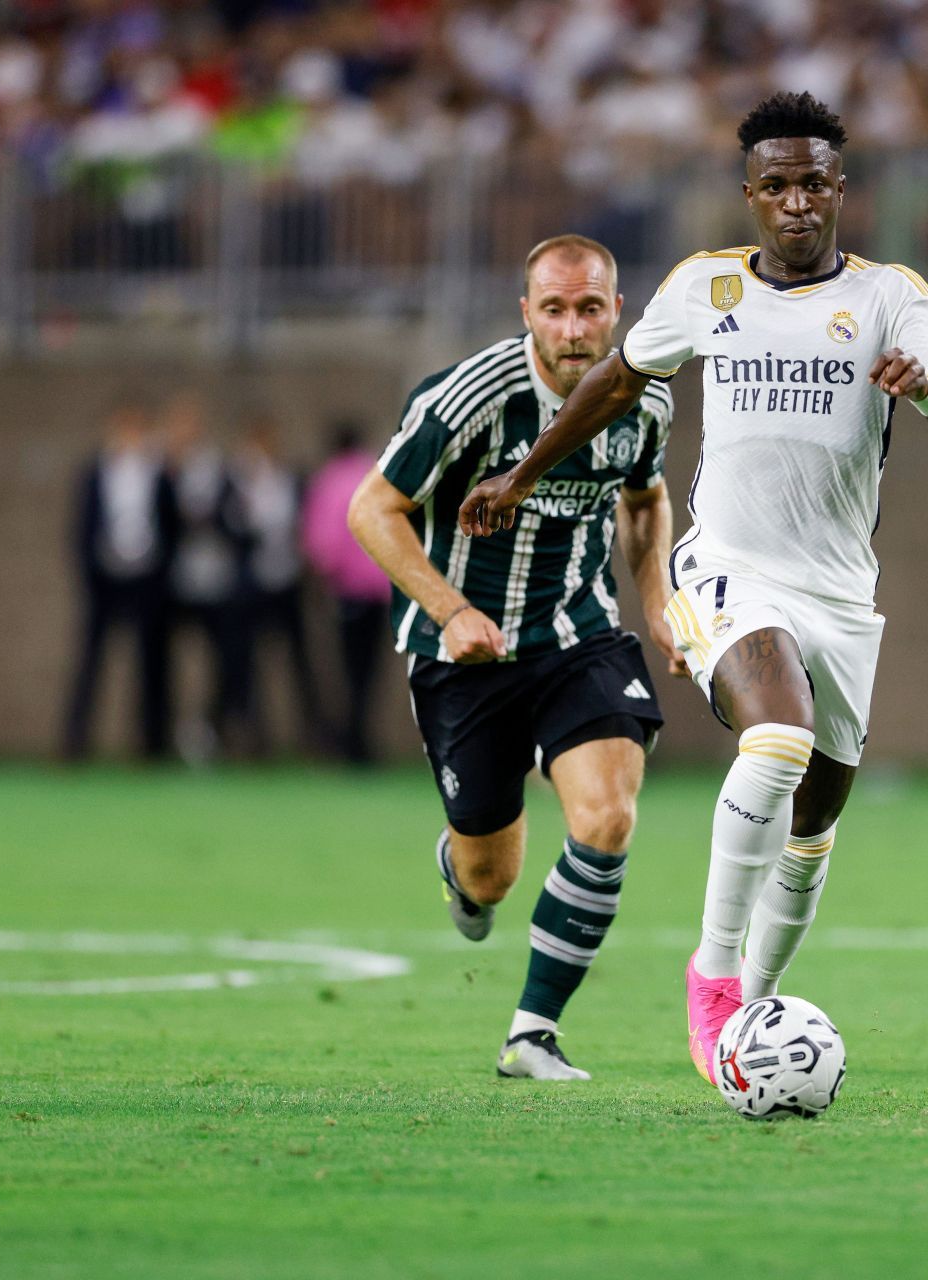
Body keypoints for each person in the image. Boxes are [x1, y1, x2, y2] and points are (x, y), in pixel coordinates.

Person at [458, 92, 928, 1082]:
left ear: (842, 191)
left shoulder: (891, 296)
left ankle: (751, 1009)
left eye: (814, 184)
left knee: (813, 829)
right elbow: (616, 379)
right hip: (728, 569)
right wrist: (523, 472)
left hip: (840, 595)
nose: (796, 202)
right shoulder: (707, 288)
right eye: (777, 185)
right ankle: (711, 976)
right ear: (750, 193)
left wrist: (922, 391)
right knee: (777, 736)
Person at [348, 234, 675, 1080]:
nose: (573, 329)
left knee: (606, 817)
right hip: (465, 656)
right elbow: (372, 509)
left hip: (579, 634)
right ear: (526, 312)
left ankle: (532, 1033)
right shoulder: (472, 397)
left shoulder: (644, 400)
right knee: (491, 876)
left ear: (617, 311)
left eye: (590, 308)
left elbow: (644, 500)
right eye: (555, 309)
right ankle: (460, 868)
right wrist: (451, 610)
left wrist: (662, 607)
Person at [63, 399, 180, 761]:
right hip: (106, 579)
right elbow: (82, 526)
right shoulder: (96, 472)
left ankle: (151, 745)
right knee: (91, 662)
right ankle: (75, 743)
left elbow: (171, 525)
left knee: (152, 665)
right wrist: (90, 569)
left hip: (147, 579)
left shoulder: (159, 473)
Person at [230, 412, 325, 757]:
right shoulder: (238, 482)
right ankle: (252, 737)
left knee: (300, 664)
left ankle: (314, 738)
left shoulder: (291, 479)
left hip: (288, 585)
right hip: (251, 587)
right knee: (248, 666)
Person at [302, 419, 392, 764]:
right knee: (369, 671)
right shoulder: (375, 473)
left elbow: (323, 541)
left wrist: (324, 577)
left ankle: (352, 742)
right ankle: (362, 739)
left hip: (348, 591)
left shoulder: (329, 480)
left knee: (349, 670)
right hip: (380, 587)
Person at [162, 392, 242, 763]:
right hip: (175, 585)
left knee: (228, 663)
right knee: (167, 664)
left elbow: (234, 520)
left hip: (217, 583)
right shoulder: (162, 468)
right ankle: (164, 736)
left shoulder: (218, 467)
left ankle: (214, 731)